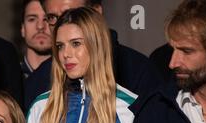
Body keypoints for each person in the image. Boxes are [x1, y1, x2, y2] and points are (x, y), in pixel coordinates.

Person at [24, 0, 162, 111]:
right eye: (52, 17)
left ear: (96, 11)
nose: (62, 24)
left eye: (71, 14)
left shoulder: (140, 72)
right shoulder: (37, 82)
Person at [20, 0, 52, 79]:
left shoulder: (72, 79)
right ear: (23, 28)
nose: (40, 26)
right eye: (32, 19)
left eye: (47, 19)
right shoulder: (7, 78)